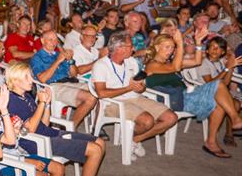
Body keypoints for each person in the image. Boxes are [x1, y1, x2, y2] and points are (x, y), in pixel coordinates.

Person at [5, 61, 111, 176]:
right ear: (15, 81)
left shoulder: (26, 95)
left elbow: (44, 123)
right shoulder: (12, 101)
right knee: (94, 150)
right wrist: (41, 103)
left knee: (99, 142)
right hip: (37, 143)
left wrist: (47, 105)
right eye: (27, 77)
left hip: (49, 134)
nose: (31, 80)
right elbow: (30, 131)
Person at [145, 30, 242, 158]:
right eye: (167, 47)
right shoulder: (152, 65)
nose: (170, 50)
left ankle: (211, 142)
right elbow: (175, 68)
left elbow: (197, 62)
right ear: (157, 47)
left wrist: (198, 42)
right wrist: (180, 43)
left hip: (185, 96)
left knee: (219, 104)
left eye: (172, 47)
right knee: (218, 84)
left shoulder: (169, 63)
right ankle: (235, 118)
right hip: (173, 100)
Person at [90, 31, 178, 158]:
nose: (134, 49)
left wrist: (140, 87)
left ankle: (132, 139)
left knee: (171, 118)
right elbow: (101, 93)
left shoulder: (131, 62)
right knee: (147, 121)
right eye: (130, 46)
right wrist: (128, 88)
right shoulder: (101, 65)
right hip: (113, 102)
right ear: (119, 48)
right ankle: (130, 139)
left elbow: (141, 87)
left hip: (135, 97)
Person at [30, 30, 98, 128]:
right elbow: (42, 79)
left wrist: (70, 60)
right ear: (42, 41)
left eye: (56, 40)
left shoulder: (59, 54)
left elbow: (74, 74)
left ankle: (95, 126)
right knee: (90, 97)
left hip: (70, 82)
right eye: (50, 40)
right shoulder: (37, 57)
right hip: (53, 86)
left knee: (98, 90)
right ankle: (70, 128)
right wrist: (57, 61)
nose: (54, 43)